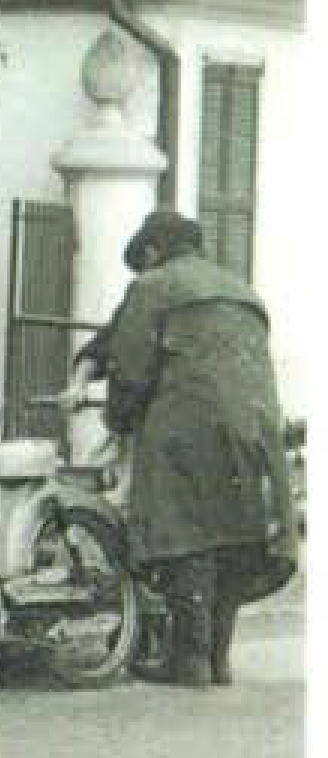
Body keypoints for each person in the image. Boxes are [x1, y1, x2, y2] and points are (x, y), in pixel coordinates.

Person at [101, 211, 296, 688]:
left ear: (151, 251)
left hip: (188, 426)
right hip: (255, 422)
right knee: (233, 532)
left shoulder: (153, 286)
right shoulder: (241, 290)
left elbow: (130, 368)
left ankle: (188, 661)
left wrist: (118, 419)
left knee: (187, 535)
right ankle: (217, 658)